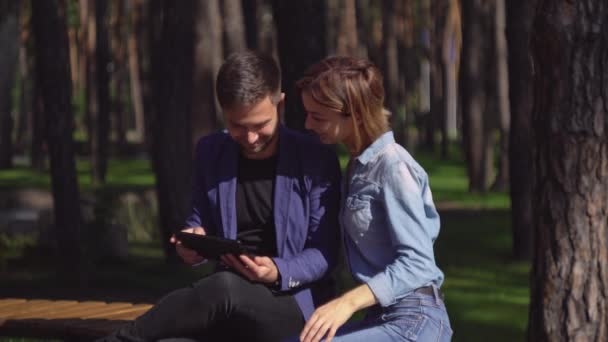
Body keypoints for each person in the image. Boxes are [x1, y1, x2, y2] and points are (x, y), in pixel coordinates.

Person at [100, 51, 341, 342]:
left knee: (224, 286)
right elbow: (200, 217)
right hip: (226, 302)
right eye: (238, 126)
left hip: (293, 303)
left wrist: (277, 271)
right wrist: (194, 240)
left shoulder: (315, 157)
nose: (251, 138)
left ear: (281, 103)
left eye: (261, 124)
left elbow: (325, 253)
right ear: (223, 111)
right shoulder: (211, 151)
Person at [294, 56, 452, 342]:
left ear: (353, 114)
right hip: (380, 316)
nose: (307, 123)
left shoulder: (392, 166)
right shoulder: (357, 166)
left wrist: (347, 303)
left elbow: (418, 263)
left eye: (317, 116)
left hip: (414, 319)